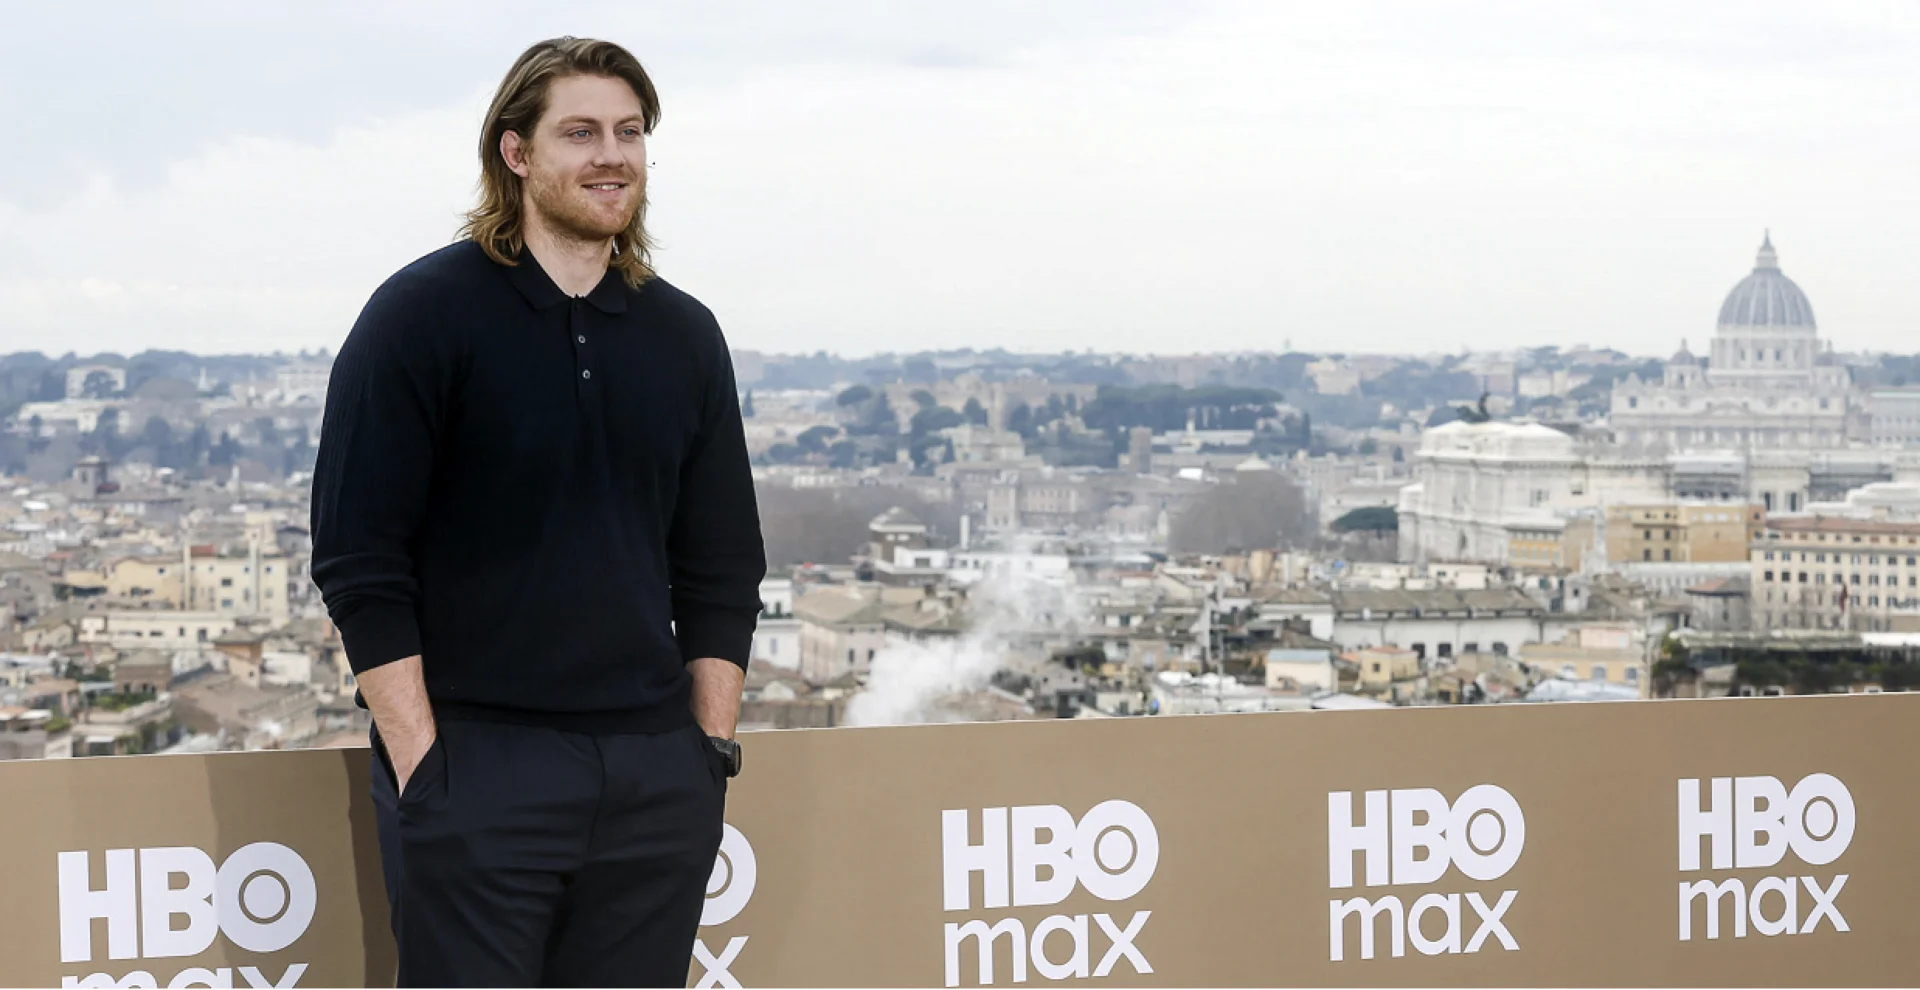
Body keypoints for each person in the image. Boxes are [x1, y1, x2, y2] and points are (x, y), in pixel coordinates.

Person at [310, 36, 766, 987]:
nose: (613, 155)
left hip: (655, 778)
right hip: (477, 769)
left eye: (630, 132)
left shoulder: (685, 335)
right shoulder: (420, 315)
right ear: (515, 153)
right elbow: (358, 558)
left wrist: (705, 752)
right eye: (582, 132)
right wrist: (426, 768)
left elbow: (723, 563)